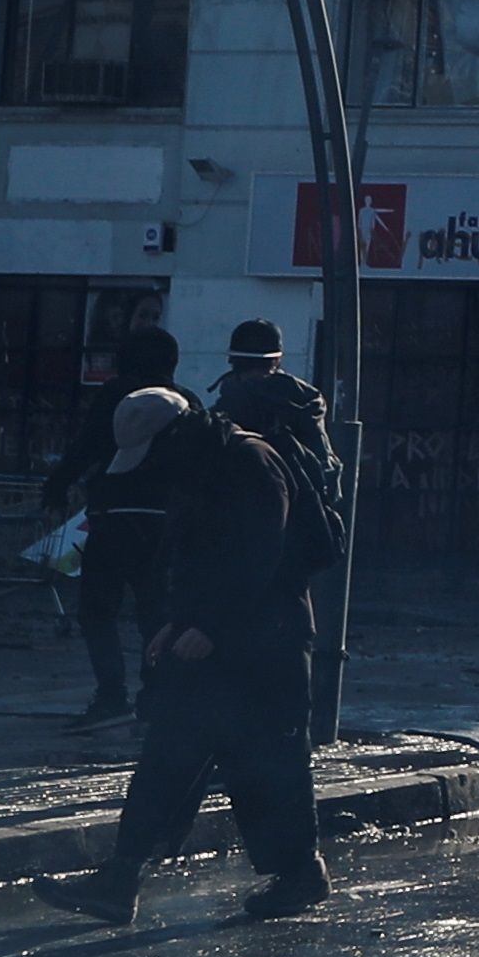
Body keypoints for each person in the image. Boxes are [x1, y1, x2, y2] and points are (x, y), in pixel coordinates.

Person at [36, 388, 339, 926]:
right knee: (168, 753)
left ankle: (300, 874)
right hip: (214, 638)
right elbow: (196, 558)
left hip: (267, 643)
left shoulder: (249, 461)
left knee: (269, 764)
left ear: (175, 434)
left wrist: (210, 625)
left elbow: (260, 555)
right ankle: (121, 876)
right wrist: (180, 620)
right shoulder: (199, 465)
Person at [39, 320, 187, 727]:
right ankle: (155, 695)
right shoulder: (186, 402)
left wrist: (55, 489)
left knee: (97, 612)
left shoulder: (117, 395)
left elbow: (84, 447)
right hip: (166, 523)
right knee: (155, 612)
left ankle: (110, 696)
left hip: (113, 517)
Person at [212, 318, 336, 486]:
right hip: (301, 506)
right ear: (277, 360)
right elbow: (324, 464)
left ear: (232, 362)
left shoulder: (228, 404)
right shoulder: (306, 401)